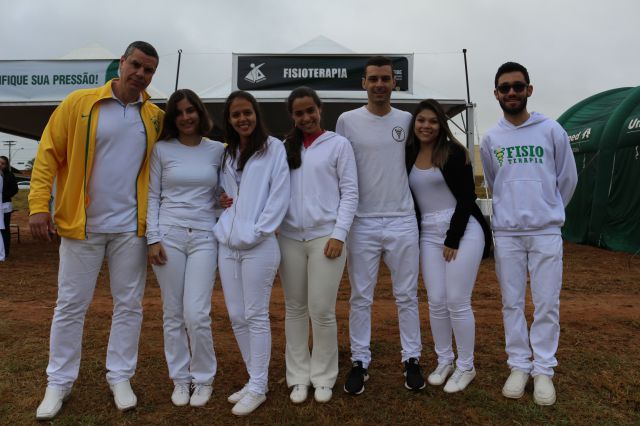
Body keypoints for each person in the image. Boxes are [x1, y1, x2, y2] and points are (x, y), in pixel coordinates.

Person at [29, 41, 164, 420]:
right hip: (81, 226)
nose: (140, 73)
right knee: (71, 305)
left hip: (130, 230)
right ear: (121, 63)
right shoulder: (80, 102)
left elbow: (179, 158)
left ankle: (120, 376)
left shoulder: (155, 116)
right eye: (136, 64)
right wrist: (38, 206)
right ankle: (58, 382)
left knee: (129, 305)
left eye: (149, 70)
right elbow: (48, 153)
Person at [480, 62, 577, 406]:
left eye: (517, 86)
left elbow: (567, 179)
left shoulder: (551, 130)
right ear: (496, 94)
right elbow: (494, 182)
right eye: (504, 88)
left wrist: (548, 209)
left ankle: (543, 370)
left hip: (545, 231)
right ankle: (519, 365)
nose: (511, 92)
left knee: (547, 302)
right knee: (512, 302)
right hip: (507, 233)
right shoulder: (491, 138)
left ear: (529, 90)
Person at [336, 56, 424, 394]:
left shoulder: (407, 120)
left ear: (394, 83)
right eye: (373, 79)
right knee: (361, 296)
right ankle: (360, 361)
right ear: (364, 83)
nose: (379, 85)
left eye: (385, 79)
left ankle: (411, 358)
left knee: (406, 295)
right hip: (362, 222)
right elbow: (338, 168)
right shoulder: (347, 121)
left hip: (402, 219)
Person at [405, 99, 492, 393]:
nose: (426, 126)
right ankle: (445, 360)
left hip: (463, 230)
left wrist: (453, 238)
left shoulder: (454, 152)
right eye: (421, 120)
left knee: (457, 299)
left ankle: (466, 366)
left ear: (441, 125)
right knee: (436, 300)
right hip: (428, 234)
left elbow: (467, 198)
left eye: (432, 121)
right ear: (414, 124)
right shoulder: (409, 154)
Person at [279, 87, 358, 404]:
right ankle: (298, 376)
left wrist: (339, 234)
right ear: (292, 116)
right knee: (295, 309)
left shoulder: (338, 145)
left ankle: (324, 376)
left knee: (322, 309)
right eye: (299, 113)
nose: (306, 117)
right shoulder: (284, 148)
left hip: (327, 237)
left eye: (310, 110)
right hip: (289, 238)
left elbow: (350, 192)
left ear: (319, 109)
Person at [213, 90, 290, 416]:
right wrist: (221, 203)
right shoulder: (228, 153)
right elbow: (225, 193)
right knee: (236, 315)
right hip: (227, 245)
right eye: (236, 115)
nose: (242, 119)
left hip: (259, 246)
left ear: (256, 114)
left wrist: (256, 231)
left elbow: (279, 195)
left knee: (256, 315)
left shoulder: (274, 149)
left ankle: (259, 386)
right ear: (229, 120)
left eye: (247, 112)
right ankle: (254, 378)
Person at [146, 89, 224, 408]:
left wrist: (223, 203)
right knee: (173, 312)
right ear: (172, 118)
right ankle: (180, 378)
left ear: (199, 112)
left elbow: (222, 193)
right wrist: (152, 239)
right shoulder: (161, 150)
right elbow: (152, 196)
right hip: (169, 237)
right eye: (178, 112)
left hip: (205, 236)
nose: (185, 117)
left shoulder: (217, 149)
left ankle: (203, 378)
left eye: (190, 110)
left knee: (197, 313)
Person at [0, 155, 19, 258]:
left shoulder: (9, 175)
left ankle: (5, 252)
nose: (0, 165)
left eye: (3, 163)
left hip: (5, 205)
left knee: (4, 228)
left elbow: (14, 189)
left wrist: (3, 196)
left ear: (6, 165)